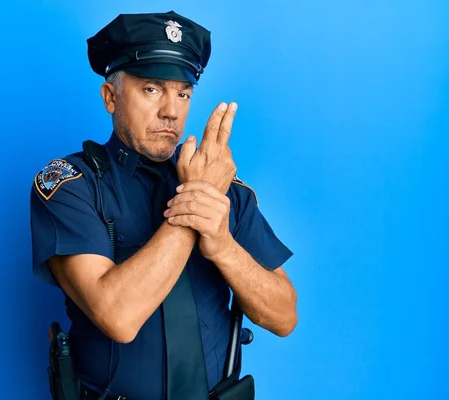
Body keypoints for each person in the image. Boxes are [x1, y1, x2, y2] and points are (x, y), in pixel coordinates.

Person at [30, 10, 297, 400]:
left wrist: (221, 242)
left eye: (183, 93)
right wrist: (194, 206)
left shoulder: (224, 189)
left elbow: (284, 315)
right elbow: (118, 316)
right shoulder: (71, 185)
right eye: (152, 89)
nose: (171, 110)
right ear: (110, 97)